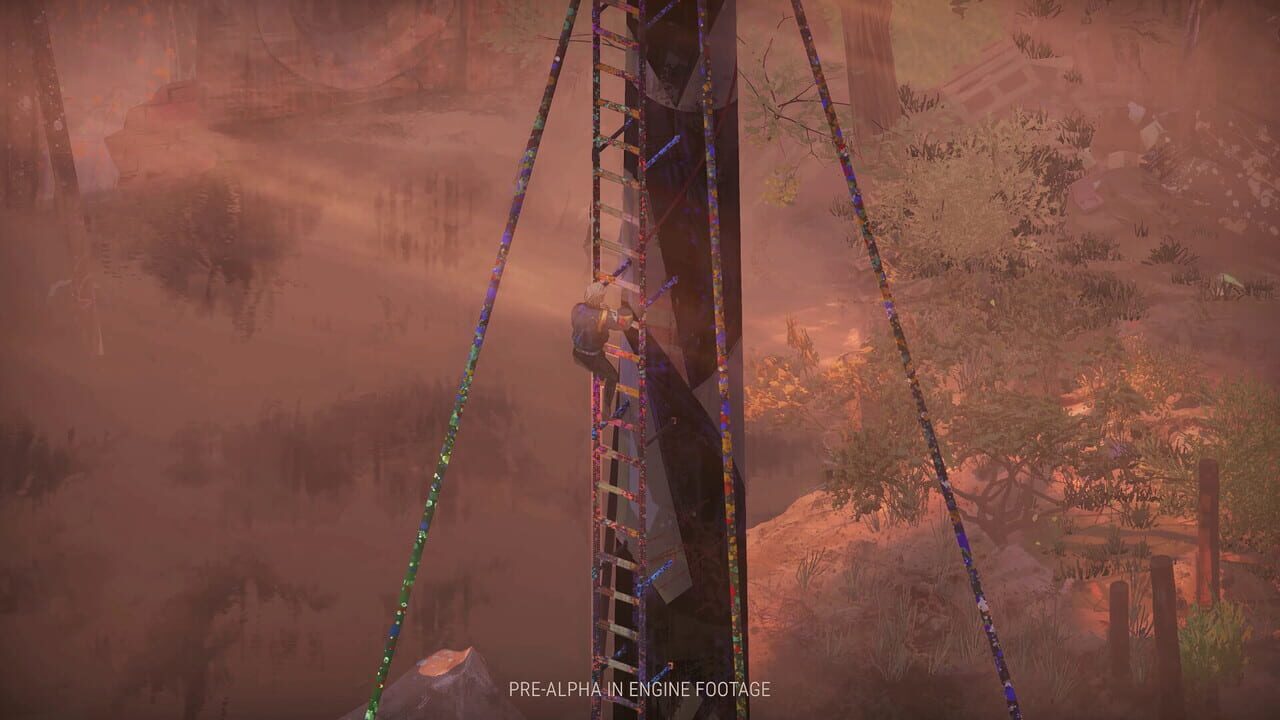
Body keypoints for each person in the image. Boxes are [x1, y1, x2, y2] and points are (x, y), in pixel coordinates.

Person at [572, 281, 637, 410]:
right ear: (599, 298)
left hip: (577, 353)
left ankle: (599, 375)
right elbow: (624, 323)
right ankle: (606, 408)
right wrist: (620, 310)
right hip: (592, 357)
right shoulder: (603, 316)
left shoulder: (577, 308)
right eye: (602, 297)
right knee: (612, 377)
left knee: (600, 370)